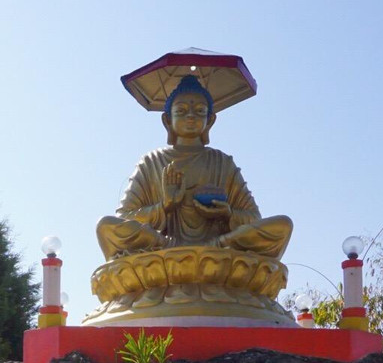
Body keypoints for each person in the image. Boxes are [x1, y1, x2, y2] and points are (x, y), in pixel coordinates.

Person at [96, 75, 292, 262]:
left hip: (217, 247)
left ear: (210, 120)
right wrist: (164, 205)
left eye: (199, 111)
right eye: (181, 111)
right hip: (164, 246)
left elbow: (254, 218)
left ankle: (209, 249)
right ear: (167, 120)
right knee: (106, 227)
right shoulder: (151, 161)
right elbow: (125, 217)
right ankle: (187, 253)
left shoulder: (222, 162)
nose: (190, 116)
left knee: (282, 226)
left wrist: (228, 214)